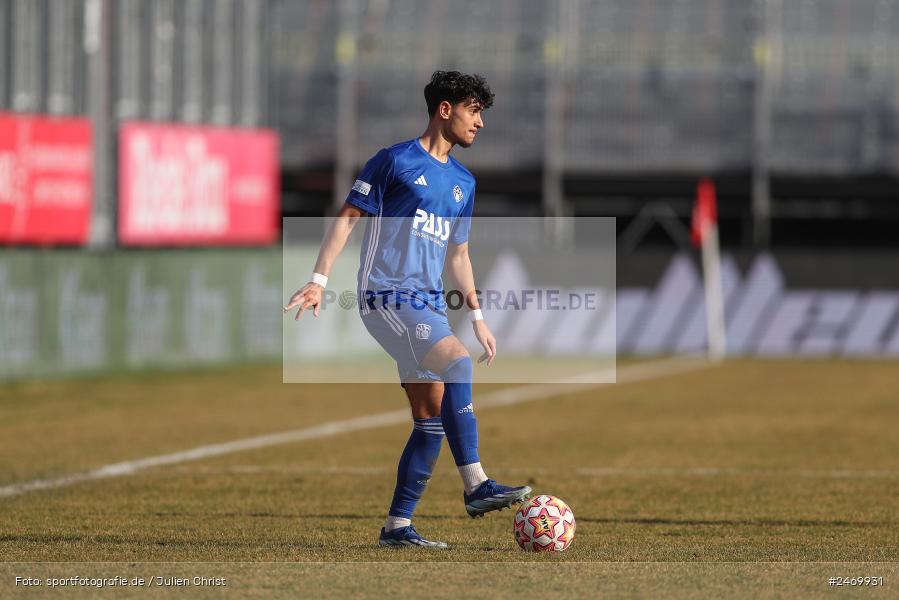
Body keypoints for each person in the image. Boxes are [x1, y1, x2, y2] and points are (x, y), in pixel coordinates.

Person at [284, 71, 531, 549]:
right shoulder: (393, 161)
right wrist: (318, 281)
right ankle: (477, 484)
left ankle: (397, 527)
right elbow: (348, 218)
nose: (479, 123)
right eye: (473, 110)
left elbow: (458, 254)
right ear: (445, 109)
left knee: (431, 419)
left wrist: (478, 317)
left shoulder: (463, 182)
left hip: (430, 304)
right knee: (457, 362)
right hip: (386, 296)